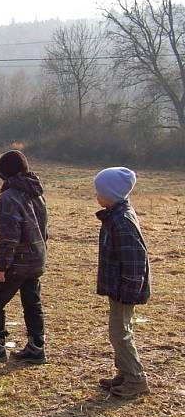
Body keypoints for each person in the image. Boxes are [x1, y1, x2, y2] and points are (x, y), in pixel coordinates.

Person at [0, 150, 48, 364]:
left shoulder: (9, 198)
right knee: (32, 302)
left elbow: (8, 235)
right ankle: (36, 346)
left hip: (18, 262)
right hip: (36, 258)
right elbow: (43, 228)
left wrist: (1, 266)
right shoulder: (36, 192)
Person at [94, 167, 151, 398]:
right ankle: (125, 373)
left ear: (112, 194)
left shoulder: (122, 221)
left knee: (120, 333)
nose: (96, 195)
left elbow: (135, 260)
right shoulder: (115, 215)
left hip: (125, 289)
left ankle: (136, 379)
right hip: (118, 286)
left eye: (99, 191)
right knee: (118, 330)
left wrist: (128, 290)